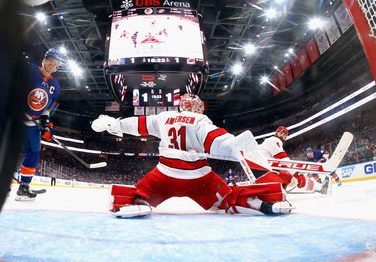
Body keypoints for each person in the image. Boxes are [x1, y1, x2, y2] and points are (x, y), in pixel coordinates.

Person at [91, 93, 293, 218]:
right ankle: (264, 205)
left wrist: (112, 124)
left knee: (140, 194)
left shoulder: (164, 117)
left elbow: (137, 125)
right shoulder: (200, 121)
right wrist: (236, 146)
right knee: (227, 201)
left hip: (164, 175)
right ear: (198, 107)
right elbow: (216, 140)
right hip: (199, 178)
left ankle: (135, 203)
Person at [16, 48, 63, 201]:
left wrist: (46, 124)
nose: (52, 64)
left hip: (32, 124)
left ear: (57, 67)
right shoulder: (30, 70)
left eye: (55, 63)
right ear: (44, 59)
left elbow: (48, 109)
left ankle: (24, 187)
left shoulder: (55, 86)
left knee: (34, 153)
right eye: (50, 60)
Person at [259, 126, 306, 191]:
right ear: (276, 133)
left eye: (284, 134)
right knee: (295, 180)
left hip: (265, 171)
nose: (282, 135)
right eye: (281, 133)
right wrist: (297, 174)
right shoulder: (274, 140)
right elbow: (284, 160)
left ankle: (319, 187)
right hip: (266, 173)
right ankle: (319, 187)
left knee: (292, 179)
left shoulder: (269, 141)